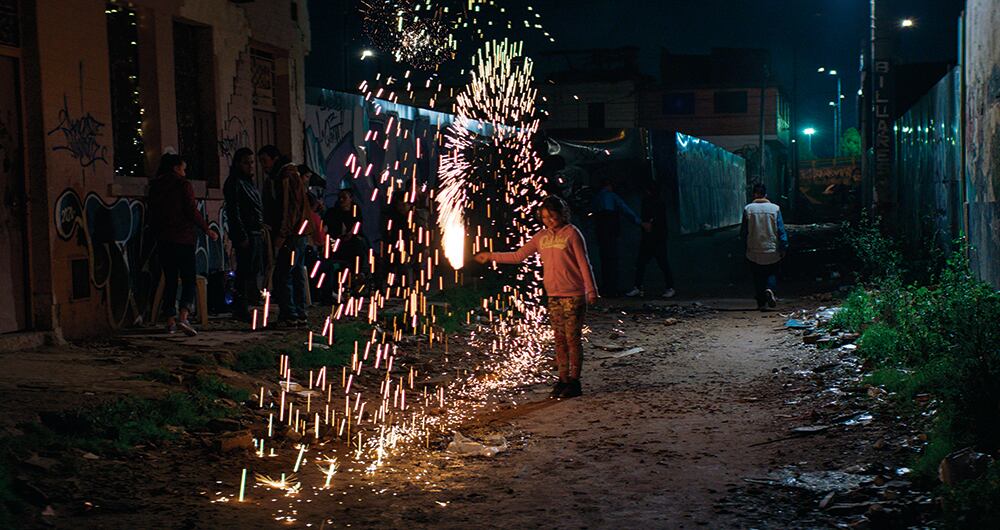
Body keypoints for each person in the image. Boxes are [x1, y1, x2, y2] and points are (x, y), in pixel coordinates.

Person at [474, 196, 598, 399]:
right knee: (559, 339)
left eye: (552, 215)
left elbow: (584, 263)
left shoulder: (572, 234)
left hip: (573, 294)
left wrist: (591, 290)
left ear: (561, 213)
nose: (549, 220)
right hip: (554, 295)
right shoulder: (541, 237)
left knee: (572, 339)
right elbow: (518, 256)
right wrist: (490, 256)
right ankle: (563, 379)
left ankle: (574, 381)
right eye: (545, 217)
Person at [147, 153, 218, 335]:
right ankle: (184, 316)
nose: (185, 173)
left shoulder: (155, 186)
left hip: (163, 239)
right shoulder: (182, 185)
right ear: (175, 168)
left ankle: (170, 320)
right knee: (188, 279)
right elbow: (191, 210)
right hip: (183, 238)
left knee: (170, 279)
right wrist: (207, 230)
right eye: (183, 169)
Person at [264, 162, 312, 325]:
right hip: (300, 232)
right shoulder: (295, 176)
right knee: (296, 272)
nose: (264, 166)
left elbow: (288, 209)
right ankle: (300, 312)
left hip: (292, 234)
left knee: (284, 274)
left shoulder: (286, 177)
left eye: (265, 161)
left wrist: (283, 233)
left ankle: (290, 314)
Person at [223, 148, 264, 322]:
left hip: (254, 231)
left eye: (252, 162)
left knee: (251, 270)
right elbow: (234, 211)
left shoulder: (247, 182)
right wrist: (241, 234)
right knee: (244, 271)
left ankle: (245, 304)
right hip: (246, 232)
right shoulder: (235, 182)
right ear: (239, 163)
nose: (251, 166)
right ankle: (241, 307)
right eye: (247, 162)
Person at [741, 183, 789, 311]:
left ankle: (761, 302)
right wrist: (783, 246)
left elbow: (744, 232)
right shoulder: (775, 208)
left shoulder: (748, 209)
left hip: (753, 249)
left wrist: (743, 247)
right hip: (772, 248)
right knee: (772, 272)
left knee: (757, 276)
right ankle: (770, 289)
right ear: (766, 194)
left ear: (754, 194)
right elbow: (780, 230)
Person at [592, 177, 643, 296]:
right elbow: (625, 210)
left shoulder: (596, 198)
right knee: (612, 259)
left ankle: (606, 287)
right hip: (610, 231)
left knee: (605, 260)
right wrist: (639, 222)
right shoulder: (612, 196)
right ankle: (612, 288)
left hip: (600, 232)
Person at [625, 181, 675, 298]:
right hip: (652, 237)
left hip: (656, 237)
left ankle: (667, 287)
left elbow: (655, 220)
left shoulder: (654, 203)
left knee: (659, 263)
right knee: (645, 263)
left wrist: (648, 226)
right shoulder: (652, 202)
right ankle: (640, 287)